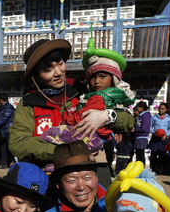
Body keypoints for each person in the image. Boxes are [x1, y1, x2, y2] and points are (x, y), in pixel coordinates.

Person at [8, 39, 133, 178]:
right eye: (48, 70)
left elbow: (129, 122)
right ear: (36, 76)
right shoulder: (28, 103)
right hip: (49, 176)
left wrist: (108, 116)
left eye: (60, 64)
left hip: (92, 173)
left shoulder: (82, 90)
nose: (58, 73)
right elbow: (18, 143)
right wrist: (66, 152)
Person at [149, 102, 170, 174]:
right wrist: (153, 132)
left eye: (162, 109)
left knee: (162, 154)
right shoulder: (154, 117)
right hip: (155, 138)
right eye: (160, 109)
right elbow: (150, 126)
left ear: (166, 110)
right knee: (153, 154)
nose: (160, 110)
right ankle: (153, 169)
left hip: (163, 138)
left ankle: (161, 169)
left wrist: (166, 135)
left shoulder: (169, 118)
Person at [133, 101, 151, 165]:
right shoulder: (141, 116)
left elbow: (144, 128)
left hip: (142, 137)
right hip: (138, 137)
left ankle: (141, 168)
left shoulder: (146, 115)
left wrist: (135, 130)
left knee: (140, 155)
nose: (137, 109)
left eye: (138, 108)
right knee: (138, 154)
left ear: (142, 108)